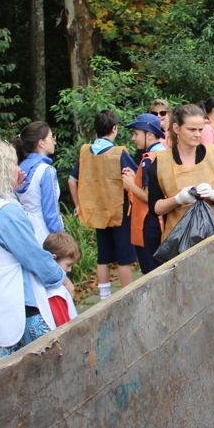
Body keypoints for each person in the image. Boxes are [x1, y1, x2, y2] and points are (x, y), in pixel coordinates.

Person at [0, 139, 70, 355]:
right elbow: (34, 257)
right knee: (49, 360)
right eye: (13, 164)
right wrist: (58, 277)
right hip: (21, 305)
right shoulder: (5, 213)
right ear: (1, 169)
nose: (18, 170)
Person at [68, 110, 138, 300]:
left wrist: (78, 205)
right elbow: (136, 175)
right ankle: (126, 295)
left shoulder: (85, 152)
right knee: (124, 256)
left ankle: (104, 296)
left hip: (96, 210)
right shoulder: (118, 153)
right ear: (114, 129)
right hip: (119, 210)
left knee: (103, 255)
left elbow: (72, 180)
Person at [148, 103, 214, 246]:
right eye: (192, 129)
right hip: (180, 240)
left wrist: (213, 194)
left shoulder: (213, 154)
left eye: (200, 129)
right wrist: (177, 199)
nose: (198, 134)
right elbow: (155, 207)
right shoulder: (160, 162)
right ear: (176, 128)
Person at [121, 113, 168, 274]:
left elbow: (151, 198)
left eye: (136, 134)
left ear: (149, 134)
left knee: (151, 271)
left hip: (148, 223)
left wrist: (130, 185)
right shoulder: (163, 152)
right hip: (160, 222)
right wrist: (135, 179)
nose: (134, 138)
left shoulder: (150, 159)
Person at [15, 121, 64, 244]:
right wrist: (61, 238)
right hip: (44, 234)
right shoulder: (46, 171)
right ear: (41, 143)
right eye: (51, 137)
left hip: (23, 231)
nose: (54, 141)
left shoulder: (19, 167)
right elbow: (51, 213)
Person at [42, 231, 81, 328]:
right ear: (53, 258)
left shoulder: (58, 287)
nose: (69, 269)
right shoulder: (55, 293)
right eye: (68, 265)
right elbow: (63, 327)